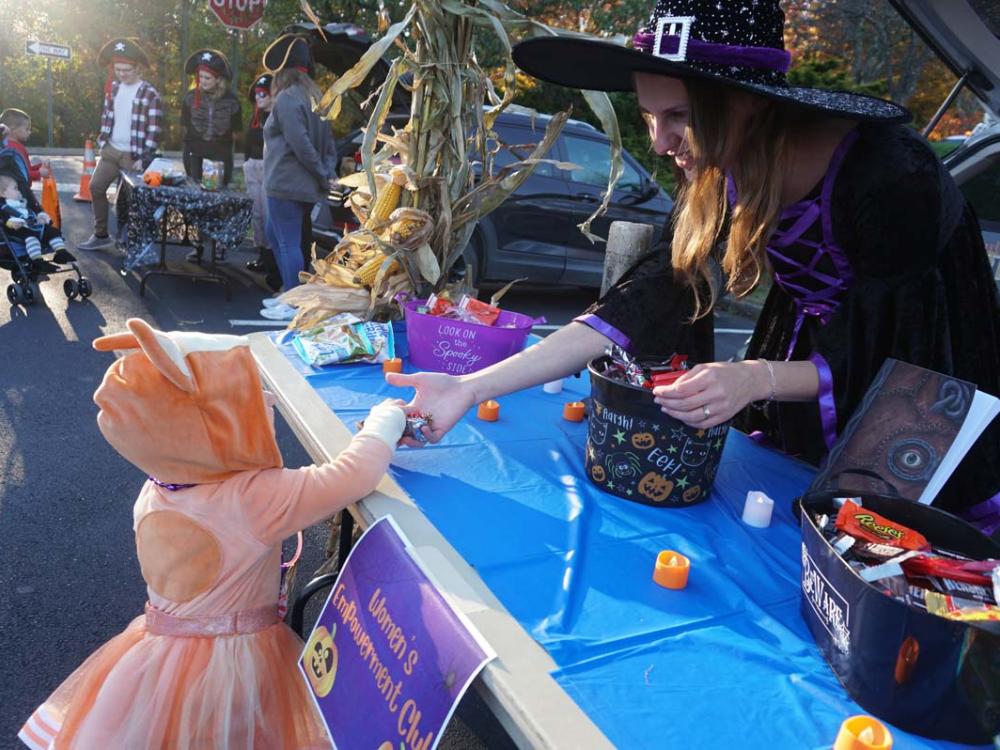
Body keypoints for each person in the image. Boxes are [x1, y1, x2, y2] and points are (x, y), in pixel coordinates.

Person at [388, 0, 1000, 530]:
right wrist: (470, 387)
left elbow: (905, 360)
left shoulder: (892, 176)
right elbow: (639, 298)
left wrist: (756, 379)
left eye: (677, 116)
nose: (657, 142)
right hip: (804, 378)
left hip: (920, 399)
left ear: (750, 104)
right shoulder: (720, 166)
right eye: (651, 116)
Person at [17, 318, 406, 749]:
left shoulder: (160, 485)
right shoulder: (253, 498)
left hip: (158, 651)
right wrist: (384, 420)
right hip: (237, 663)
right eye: (251, 398)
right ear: (214, 421)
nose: (265, 403)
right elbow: (354, 475)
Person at [260, 34, 337, 312]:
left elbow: (300, 143)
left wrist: (322, 173)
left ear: (282, 72)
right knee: (276, 234)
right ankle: (289, 297)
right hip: (303, 186)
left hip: (286, 184)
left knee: (287, 243)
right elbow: (329, 143)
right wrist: (327, 172)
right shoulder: (316, 96)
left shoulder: (287, 99)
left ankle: (294, 304)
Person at [78, 38, 162, 251]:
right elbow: (108, 116)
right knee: (96, 187)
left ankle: (129, 240)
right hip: (111, 150)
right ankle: (101, 234)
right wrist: (103, 142)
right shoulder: (113, 88)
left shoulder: (148, 93)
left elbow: (154, 130)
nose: (122, 74)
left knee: (127, 201)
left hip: (132, 155)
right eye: (118, 69)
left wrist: (143, 158)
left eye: (127, 70)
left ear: (137, 68)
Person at [181, 49, 242, 188]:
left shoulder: (232, 101)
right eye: (200, 77)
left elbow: (236, 133)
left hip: (220, 158)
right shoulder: (190, 98)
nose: (202, 81)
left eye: (207, 78)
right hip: (195, 155)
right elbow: (185, 127)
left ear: (218, 79)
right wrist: (188, 156)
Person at [243, 72, 279, 287]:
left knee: (268, 217)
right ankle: (261, 256)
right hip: (252, 166)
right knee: (256, 215)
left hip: (269, 168)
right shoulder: (256, 117)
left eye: (264, 94)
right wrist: (247, 162)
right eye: (257, 94)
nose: (259, 98)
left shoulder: (276, 117)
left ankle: (272, 261)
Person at [0, 175, 66, 260]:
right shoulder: (3, 207)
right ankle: (38, 261)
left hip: (34, 227)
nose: (19, 190)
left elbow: (33, 211)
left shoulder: (22, 202)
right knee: (31, 238)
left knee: (53, 231)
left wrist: (40, 217)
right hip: (19, 231)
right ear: (3, 193)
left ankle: (62, 252)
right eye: (15, 188)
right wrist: (11, 223)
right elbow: (4, 218)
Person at [0, 109, 50, 188]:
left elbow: (25, 170)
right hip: (15, 194)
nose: (29, 132)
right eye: (27, 129)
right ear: (13, 129)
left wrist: (39, 167)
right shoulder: (12, 150)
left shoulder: (9, 146)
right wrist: (40, 173)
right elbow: (19, 175)